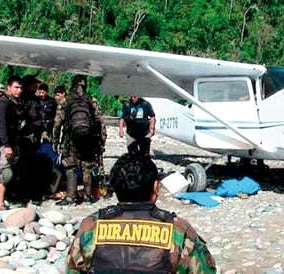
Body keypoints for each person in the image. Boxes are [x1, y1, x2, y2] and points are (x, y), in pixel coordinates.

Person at [66, 153, 216, 273]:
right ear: (156, 188)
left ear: (116, 187)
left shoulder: (92, 225)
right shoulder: (179, 230)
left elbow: (72, 268)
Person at [53, 75, 107, 205]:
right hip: (89, 139)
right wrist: (102, 138)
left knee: (71, 166)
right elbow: (101, 121)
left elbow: (57, 122)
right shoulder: (91, 100)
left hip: (71, 138)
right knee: (87, 166)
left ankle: (71, 197)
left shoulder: (66, 100)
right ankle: (88, 196)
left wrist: (55, 140)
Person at [0, 76, 24, 210]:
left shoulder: (12, 102)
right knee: (6, 173)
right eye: (16, 87)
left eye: (20, 88)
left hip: (9, 142)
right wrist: (6, 145)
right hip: (1, 143)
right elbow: (1, 125)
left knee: (6, 168)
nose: (19, 90)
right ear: (8, 87)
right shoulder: (3, 103)